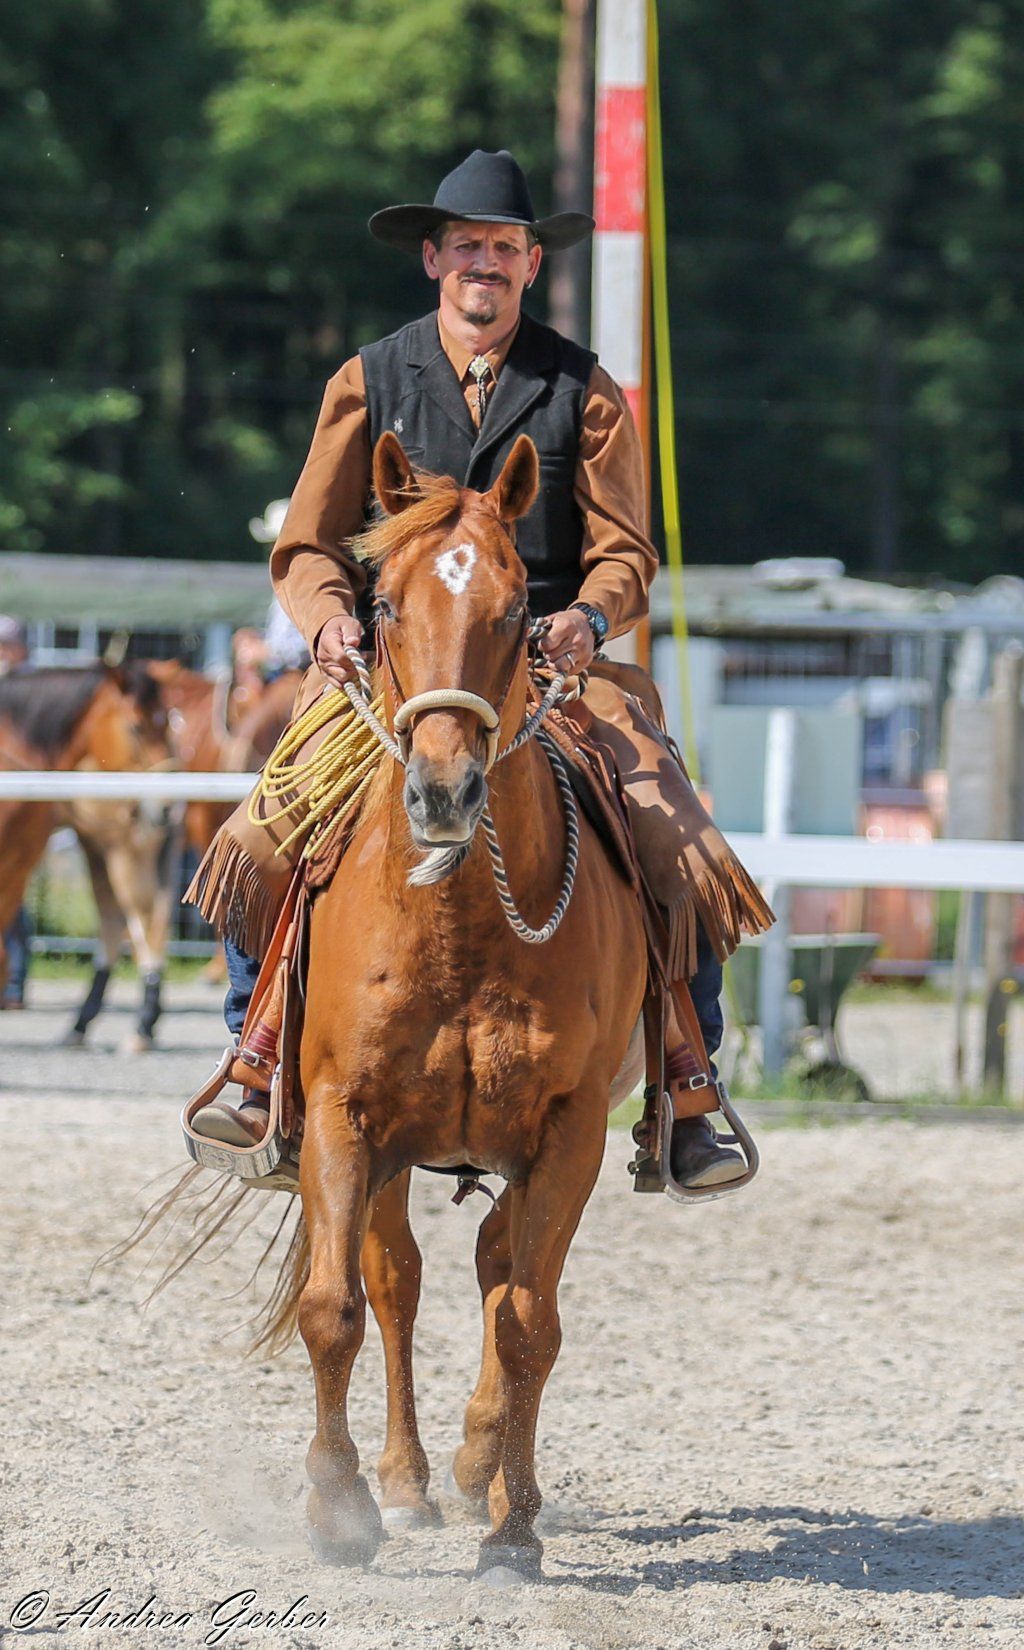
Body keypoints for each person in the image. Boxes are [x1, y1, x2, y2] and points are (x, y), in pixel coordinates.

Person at [187, 150, 772, 1188]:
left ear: (532, 264)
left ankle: (688, 1087)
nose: (484, 265)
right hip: (390, 666)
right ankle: (257, 1059)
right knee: (261, 828)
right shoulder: (367, 379)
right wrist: (327, 622)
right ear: (433, 258)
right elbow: (310, 543)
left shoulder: (583, 388)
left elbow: (625, 550)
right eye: (467, 246)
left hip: (549, 663)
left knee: (680, 840)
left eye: (505, 248)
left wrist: (590, 617)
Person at [0, 617, 32, 1009]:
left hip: (24, 813)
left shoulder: (29, 690)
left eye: (7, 644)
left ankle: (16, 982)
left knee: (16, 895)